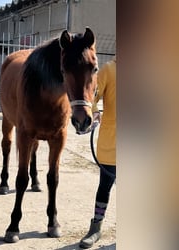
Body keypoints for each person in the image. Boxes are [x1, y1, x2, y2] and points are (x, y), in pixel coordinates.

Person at [79, 57, 116, 249]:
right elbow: (92, 96)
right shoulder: (109, 70)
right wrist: (93, 111)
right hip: (113, 140)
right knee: (105, 186)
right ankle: (95, 228)